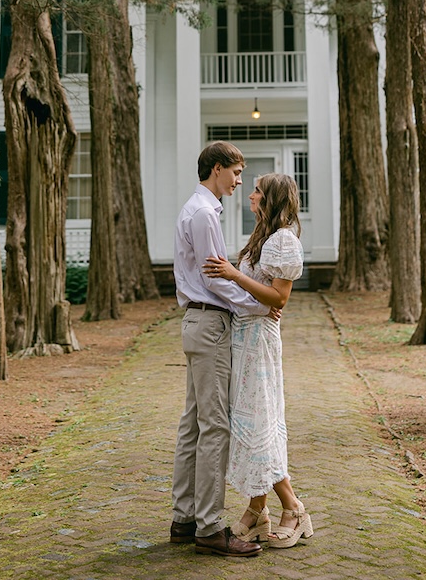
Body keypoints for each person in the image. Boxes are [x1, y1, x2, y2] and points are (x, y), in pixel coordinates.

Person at [170, 140, 272, 559]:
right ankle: (209, 527)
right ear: (216, 169)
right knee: (215, 426)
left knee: (194, 423)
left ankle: (184, 519)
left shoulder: (195, 209)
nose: (239, 181)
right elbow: (216, 278)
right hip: (209, 325)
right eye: (235, 173)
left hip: (197, 322)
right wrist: (260, 305)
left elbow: (215, 275)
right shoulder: (205, 213)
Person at [203, 171, 313, 550]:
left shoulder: (283, 241)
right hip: (242, 338)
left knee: (261, 421)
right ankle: (257, 511)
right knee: (248, 422)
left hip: (260, 344)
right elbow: (262, 294)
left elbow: (278, 299)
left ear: (272, 199)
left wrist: (234, 274)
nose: (250, 195)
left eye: (257, 191)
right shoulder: (262, 238)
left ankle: (293, 508)